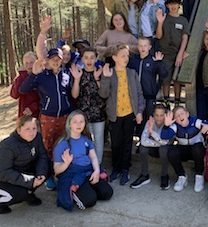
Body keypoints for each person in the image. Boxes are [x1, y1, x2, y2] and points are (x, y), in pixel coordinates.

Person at [19, 48, 72, 191]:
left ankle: (61, 173)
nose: (55, 61)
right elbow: (22, 90)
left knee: (62, 146)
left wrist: (70, 110)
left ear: (61, 60)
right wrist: (34, 74)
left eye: (58, 59)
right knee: (47, 147)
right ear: (48, 60)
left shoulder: (66, 74)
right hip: (48, 117)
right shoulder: (42, 75)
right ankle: (48, 176)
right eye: (53, 58)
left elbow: (69, 95)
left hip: (64, 116)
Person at [98, 44, 145, 186]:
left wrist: (139, 111)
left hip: (130, 114)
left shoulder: (132, 73)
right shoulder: (109, 73)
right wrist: (105, 79)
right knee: (116, 143)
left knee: (127, 143)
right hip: (114, 115)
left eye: (127, 55)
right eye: (123, 55)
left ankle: (125, 169)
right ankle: (116, 168)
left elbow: (139, 94)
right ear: (115, 58)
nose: (126, 58)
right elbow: (103, 94)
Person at [53, 110, 113, 211]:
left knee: (107, 193)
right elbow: (57, 170)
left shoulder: (86, 139)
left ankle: (87, 187)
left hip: (87, 171)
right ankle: (74, 191)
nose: (78, 124)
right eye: (75, 121)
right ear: (69, 124)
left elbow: (93, 157)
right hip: (74, 174)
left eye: (81, 121)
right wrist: (66, 163)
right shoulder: (62, 144)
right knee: (90, 201)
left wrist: (97, 171)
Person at [0, 116, 48, 214]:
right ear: (19, 130)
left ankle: (28, 194)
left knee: (49, 167)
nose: (31, 132)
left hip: (23, 171)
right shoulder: (7, 146)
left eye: (34, 128)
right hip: (4, 179)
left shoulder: (37, 137)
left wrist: (41, 173)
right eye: (27, 129)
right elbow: (4, 172)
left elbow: (42, 156)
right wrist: (29, 181)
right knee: (20, 193)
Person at [161, 106, 208, 192]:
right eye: (177, 116)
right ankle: (181, 176)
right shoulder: (175, 126)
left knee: (197, 148)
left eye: (182, 113)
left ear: (187, 114)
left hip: (197, 151)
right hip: (184, 150)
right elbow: (164, 136)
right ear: (175, 119)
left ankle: (199, 175)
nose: (180, 116)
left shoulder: (194, 122)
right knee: (171, 152)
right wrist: (166, 126)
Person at [70, 47, 107, 164]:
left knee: (98, 141)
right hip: (83, 115)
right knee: (85, 140)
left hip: (99, 113)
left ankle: (98, 165)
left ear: (96, 58)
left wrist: (97, 79)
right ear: (82, 59)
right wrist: (76, 79)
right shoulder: (79, 73)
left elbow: (104, 94)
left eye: (92, 57)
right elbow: (75, 95)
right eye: (86, 58)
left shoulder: (100, 72)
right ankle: (86, 164)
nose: (89, 60)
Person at [155, 0, 190, 108]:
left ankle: (177, 104)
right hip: (165, 54)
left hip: (177, 53)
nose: (173, 6)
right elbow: (159, 36)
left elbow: (185, 37)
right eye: (170, 4)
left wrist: (180, 53)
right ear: (167, 5)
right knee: (165, 79)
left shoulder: (183, 20)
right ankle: (166, 105)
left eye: (175, 3)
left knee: (177, 80)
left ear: (179, 4)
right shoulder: (164, 18)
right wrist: (160, 23)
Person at [128, 37, 168, 129]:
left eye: (145, 46)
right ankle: (138, 137)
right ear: (137, 47)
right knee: (136, 118)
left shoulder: (153, 60)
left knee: (148, 118)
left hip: (149, 96)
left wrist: (159, 63)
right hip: (135, 95)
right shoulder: (134, 60)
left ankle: (146, 139)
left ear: (149, 47)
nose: (143, 48)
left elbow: (164, 74)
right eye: (140, 46)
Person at [130, 104, 172, 190]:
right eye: (156, 115)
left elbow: (168, 141)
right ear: (153, 114)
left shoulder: (169, 123)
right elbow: (143, 141)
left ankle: (164, 175)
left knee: (163, 149)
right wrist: (161, 142)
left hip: (164, 150)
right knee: (142, 148)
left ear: (165, 115)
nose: (159, 118)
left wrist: (152, 133)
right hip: (154, 147)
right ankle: (144, 175)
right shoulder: (150, 122)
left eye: (161, 115)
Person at [10, 51, 40, 118]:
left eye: (31, 62)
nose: (29, 65)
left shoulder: (40, 76)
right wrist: (22, 75)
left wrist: (33, 107)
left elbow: (45, 98)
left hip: (38, 114)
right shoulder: (20, 77)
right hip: (24, 116)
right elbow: (14, 95)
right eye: (26, 63)